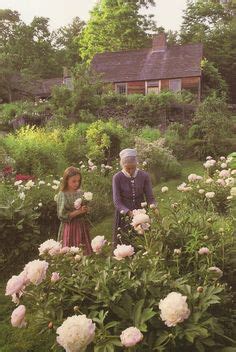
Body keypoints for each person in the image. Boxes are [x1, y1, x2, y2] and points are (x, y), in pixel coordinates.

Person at [112, 148, 157, 247]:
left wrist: (154, 207)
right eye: (128, 168)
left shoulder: (144, 176)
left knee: (143, 241)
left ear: (136, 164)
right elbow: (117, 201)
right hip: (124, 213)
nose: (131, 170)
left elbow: (150, 197)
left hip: (141, 212)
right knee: (126, 240)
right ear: (122, 165)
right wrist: (129, 212)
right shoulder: (117, 177)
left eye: (133, 167)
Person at [57, 166, 92, 254]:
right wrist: (78, 212)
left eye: (78, 181)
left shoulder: (80, 192)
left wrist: (86, 209)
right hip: (70, 226)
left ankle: (84, 263)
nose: (76, 183)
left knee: (82, 249)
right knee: (70, 250)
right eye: (74, 181)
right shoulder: (63, 194)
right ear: (66, 180)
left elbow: (85, 207)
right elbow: (62, 215)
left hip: (81, 225)